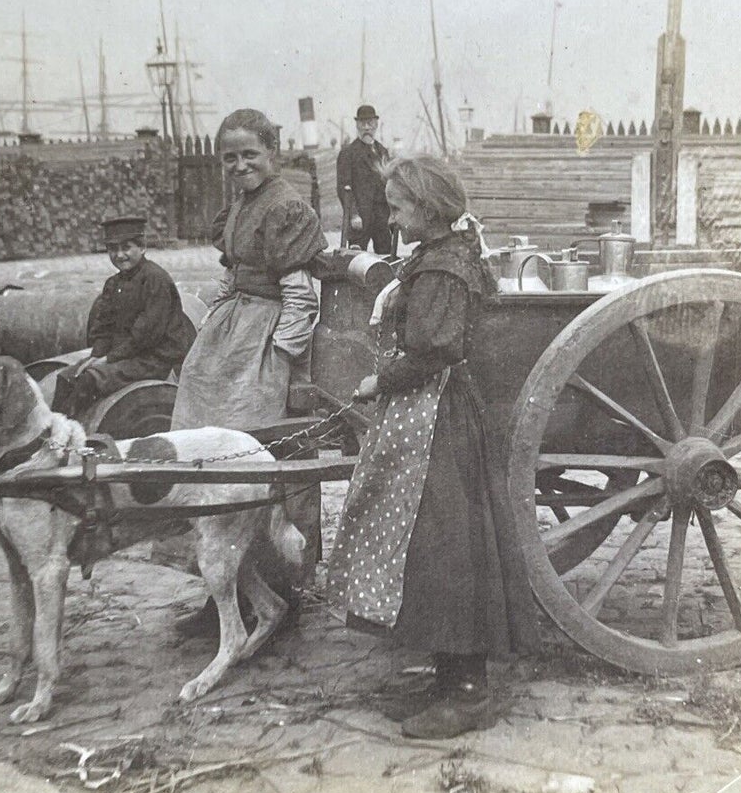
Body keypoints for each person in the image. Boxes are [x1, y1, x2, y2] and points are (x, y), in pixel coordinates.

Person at [327, 156, 537, 740]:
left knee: (446, 549)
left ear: (429, 208)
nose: (390, 219)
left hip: (438, 420)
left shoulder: (445, 270)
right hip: (426, 416)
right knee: (422, 548)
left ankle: (469, 691)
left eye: (397, 208)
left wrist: (377, 381)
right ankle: (446, 677)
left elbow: (435, 350)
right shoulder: (436, 257)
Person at [171, 108, 328, 431]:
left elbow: (300, 296)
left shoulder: (285, 208)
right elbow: (232, 274)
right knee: (196, 375)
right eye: (230, 157)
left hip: (266, 330)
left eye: (250, 154)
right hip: (233, 323)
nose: (240, 165)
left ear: (272, 152)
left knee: (242, 406)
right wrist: (211, 322)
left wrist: (281, 353)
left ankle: (239, 468)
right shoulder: (242, 205)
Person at [52, 214, 197, 422]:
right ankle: (54, 431)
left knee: (89, 380)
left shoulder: (155, 279)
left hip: (155, 358)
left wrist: (108, 360)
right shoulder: (113, 284)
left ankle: (70, 432)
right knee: (66, 377)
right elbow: (103, 326)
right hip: (127, 356)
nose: (119, 255)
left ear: (142, 247)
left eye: (126, 247)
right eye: (113, 249)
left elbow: (146, 334)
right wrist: (96, 355)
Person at [336, 104, 395, 253]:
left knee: (385, 257)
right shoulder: (348, 153)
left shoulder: (383, 152)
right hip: (361, 218)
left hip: (382, 216)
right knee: (357, 259)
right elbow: (344, 187)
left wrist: (393, 214)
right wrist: (354, 214)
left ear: (376, 125)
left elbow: (390, 185)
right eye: (363, 124)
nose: (367, 128)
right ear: (357, 126)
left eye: (370, 123)